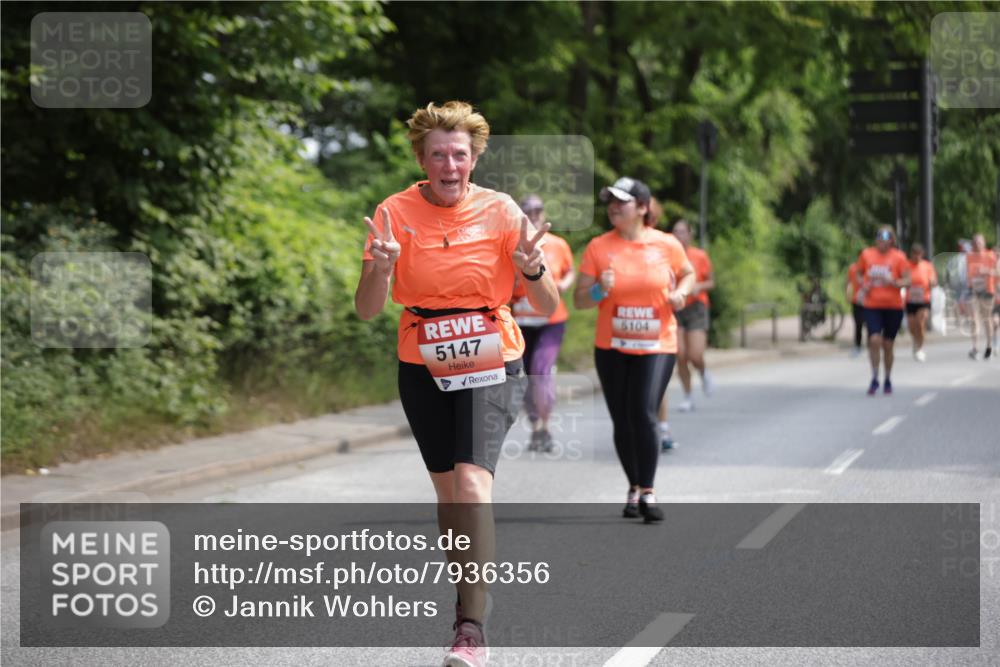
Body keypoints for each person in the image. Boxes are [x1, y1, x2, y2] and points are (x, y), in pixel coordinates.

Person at [354, 101, 558, 667]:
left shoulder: (501, 211)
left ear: (474, 159)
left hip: (491, 353)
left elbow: (548, 303)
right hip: (421, 360)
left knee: (471, 485)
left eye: (460, 155)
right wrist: (380, 266)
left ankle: (472, 628)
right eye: (438, 154)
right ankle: (468, 599)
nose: (450, 164)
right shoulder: (393, 213)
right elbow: (368, 309)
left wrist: (532, 268)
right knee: (447, 493)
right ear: (422, 159)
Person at [574, 177, 694, 523]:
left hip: (657, 343)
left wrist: (681, 294)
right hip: (611, 346)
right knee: (622, 420)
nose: (613, 207)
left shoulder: (667, 244)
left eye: (621, 202)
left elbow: (687, 275)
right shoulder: (599, 247)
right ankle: (633, 484)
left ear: (642, 208)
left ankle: (649, 490)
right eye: (609, 201)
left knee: (643, 411)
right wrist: (599, 289)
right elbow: (581, 300)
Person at [509, 194, 575, 452]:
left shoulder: (558, 244)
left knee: (541, 369)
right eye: (528, 211)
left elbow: (570, 271)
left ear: (544, 213)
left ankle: (546, 427)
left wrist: (562, 285)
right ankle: (536, 428)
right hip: (520, 321)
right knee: (524, 376)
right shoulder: (510, 245)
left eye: (539, 209)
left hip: (551, 321)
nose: (534, 214)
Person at [666, 219, 715, 413]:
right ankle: (687, 396)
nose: (679, 235)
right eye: (675, 232)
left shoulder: (699, 256)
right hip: (676, 308)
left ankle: (703, 372)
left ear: (690, 235)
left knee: (695, 355)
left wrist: (698, 287)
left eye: (682, 232)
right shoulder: (667, 255)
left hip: (696, 308)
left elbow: (711, 282)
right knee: (680, 355)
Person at [855, 226, 910, 395]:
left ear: (892, 240)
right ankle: (874, 377)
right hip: (872, 305)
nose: (881, 241)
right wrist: (863, 284)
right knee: (874, 340)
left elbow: (907, 280)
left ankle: (887, 378)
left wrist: (893, 281)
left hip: (893, 307)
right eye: (878, 237)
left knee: (888, 345)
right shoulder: (866, 254)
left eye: (885, 238)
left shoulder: (899, 257)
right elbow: (858, 273)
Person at [966, 233, 997, 360]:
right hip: (974, 290)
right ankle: (975, 348)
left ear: (984, 243)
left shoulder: (990, 255)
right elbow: (968, 272)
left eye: (979, 242)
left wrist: (988, 271)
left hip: (987, 290)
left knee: (987, 319)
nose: (977, 245)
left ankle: (989, 346)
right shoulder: (969, 256)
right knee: (974, 318)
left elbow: (998, 271)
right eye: (975, 243)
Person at [905, 243, 937, 362]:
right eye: (914, 254)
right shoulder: (906, 265)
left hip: (924, 299)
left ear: (922, 255)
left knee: (920, 323)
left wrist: (932, 282)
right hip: (910, 300)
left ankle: (920, 348)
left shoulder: (927, 266)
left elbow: (934, 280)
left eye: (919, 255)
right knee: (912, 326)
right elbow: (901, 278)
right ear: (911, 254)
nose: (916, 257)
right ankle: (916, 340)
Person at [846, 260, 865, 357]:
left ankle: (872, 344)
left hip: (869, 301)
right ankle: (858, 344)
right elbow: (848, 282)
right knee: (858, 323)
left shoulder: (871, 267)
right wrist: (847, 294)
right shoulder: (852, 268)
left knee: (869, 323)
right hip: (856, 300)